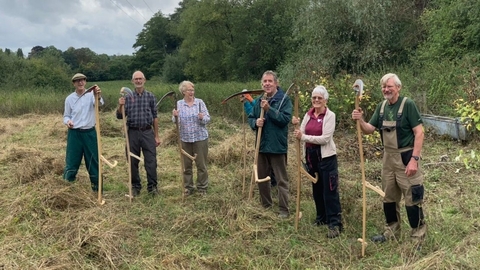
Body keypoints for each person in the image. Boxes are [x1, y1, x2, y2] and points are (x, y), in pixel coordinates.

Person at [352, 73, 426, 244]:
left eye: (389, 86)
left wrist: (414, 159)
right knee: (389, 198)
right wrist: (360, 120)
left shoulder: (408, 105)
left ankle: (418, 238)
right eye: (384, 87)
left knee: (413, 198)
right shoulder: (382, 107)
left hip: (406, 157)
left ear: (398, 88)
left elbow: (419, 132)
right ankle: (391, 233)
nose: (386, 89)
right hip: (388, 158)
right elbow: (370, 129)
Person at [292, 85, 342, 238]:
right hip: (311, 157)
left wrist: (303, 137)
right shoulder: (308, 115)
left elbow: (325, 138)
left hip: (326, 158)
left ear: (325, 100)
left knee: (330, 190)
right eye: (314, 97)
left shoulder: (330, 116)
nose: (316, 100)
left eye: (319, 98)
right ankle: (321, 218)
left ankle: (335, 223)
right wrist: (296, 124)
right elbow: (300, 132)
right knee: (317, 189)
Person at [248, 70, 292, 218]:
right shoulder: (260, 100)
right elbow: (251, 117)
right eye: (265, 81)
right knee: (262, 178)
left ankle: (284, 209)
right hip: (261, 145)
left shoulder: (283, 99)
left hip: (277, 146)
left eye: (270, 81)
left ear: (276, 83)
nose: (267, 84)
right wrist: (255, 122)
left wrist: (269, 110)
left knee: (281, 180)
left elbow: (284, 119)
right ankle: (266, 205)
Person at [116, 71, 160, 197]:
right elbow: (119, 116)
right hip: (133, 133)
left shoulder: (150, 96)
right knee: (132, 160)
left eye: (140, 79)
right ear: (132, 81)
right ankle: (135, 186)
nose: (138, 81)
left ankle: (152, 187)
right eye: (136, 79)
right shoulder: (127, 97)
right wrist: (120, 105)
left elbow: (155, 117)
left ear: (144, 80)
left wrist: (156, 135)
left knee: (151, 161)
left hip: (147, 132)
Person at [63, 73, 103, 192]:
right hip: (74, 134)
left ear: (85, 82)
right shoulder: (69, 99)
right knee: (72, 160)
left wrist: (98, 96)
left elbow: (99, 104)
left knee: (93, 161)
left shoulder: (92, 95)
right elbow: (66, 116)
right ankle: (67, 188)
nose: (80, 83)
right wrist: (68, 121)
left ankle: (97, 188)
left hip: (89, 133)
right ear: (74, 84)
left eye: (82, 80)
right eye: (77, 81)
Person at [172, 81, 211, 196]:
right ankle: (188, 188)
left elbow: (208, 119)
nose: (192, 92)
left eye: (193, 90)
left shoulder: (200, 103)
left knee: (201, 165)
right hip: (185, 139)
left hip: (200, 138)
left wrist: (202, 117)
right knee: (186, 166)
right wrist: (175, 116)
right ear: (183, 91)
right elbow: (175, 122)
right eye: (189, 90)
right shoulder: (179, 104)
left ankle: (202, 188)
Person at [240, 92, 277, 187]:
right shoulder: (251, 102)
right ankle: (268, 180)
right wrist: (245, 103)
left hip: (272, 134)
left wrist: (250, 99)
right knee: (263, 160)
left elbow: (258, 104)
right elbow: (251, 112)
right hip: (260, 131)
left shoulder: (266, 98)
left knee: (273, 159)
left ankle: (274, 181)